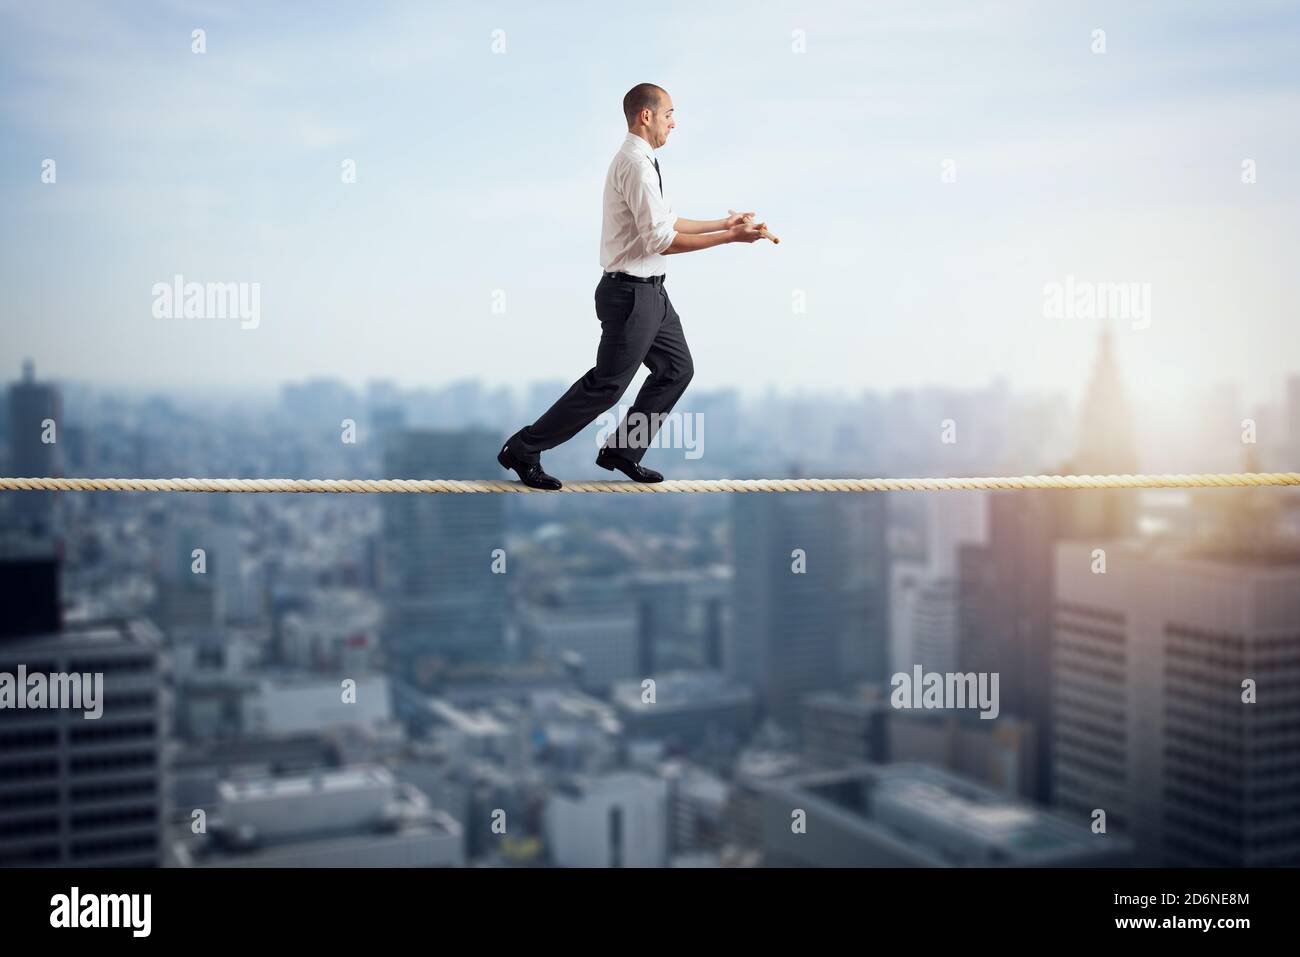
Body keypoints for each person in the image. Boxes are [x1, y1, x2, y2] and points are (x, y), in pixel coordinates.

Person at [497, 82, 768, 489]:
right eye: (669, 114)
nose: (674, 123)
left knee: (676, 370)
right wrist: (732, 240)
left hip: (653, 293)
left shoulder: (644, 162)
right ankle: (523, 447)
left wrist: (726, 223)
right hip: (630, 294)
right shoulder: (636, 165)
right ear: (646, 116)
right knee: (607, 386)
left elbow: (669, 221)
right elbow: (663, 240)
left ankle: (624, 450)